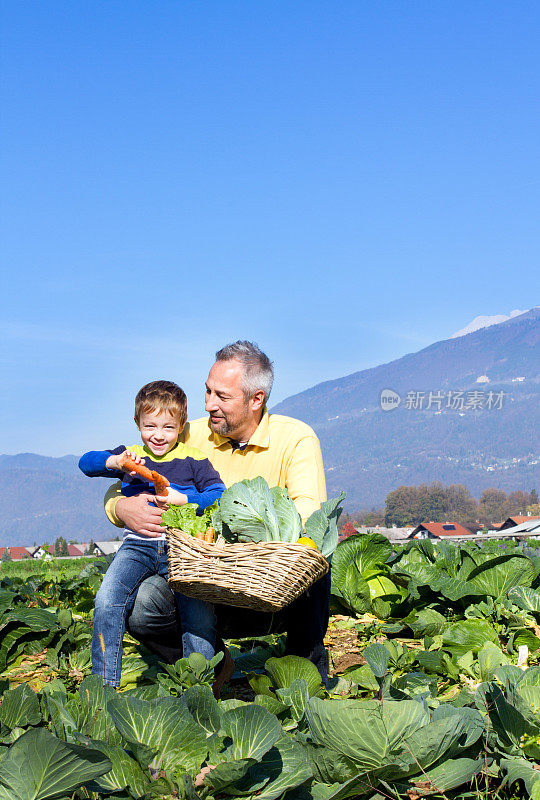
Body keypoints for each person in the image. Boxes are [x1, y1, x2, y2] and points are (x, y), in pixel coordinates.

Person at [104, 342, 330, 683]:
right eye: (207, 391)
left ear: (256, 399)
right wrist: (121, 507)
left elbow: (308, 513)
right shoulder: (187, 433)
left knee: (316, 554)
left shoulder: (295, 438)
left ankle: (306, 669)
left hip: (269, 585)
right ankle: (213, 666)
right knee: (143, 606)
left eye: (221, 396)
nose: (208, 404)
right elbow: (125, 474)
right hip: (200, 582)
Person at [79, 380, 225, 687]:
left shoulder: (193, 458)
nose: (159, 435)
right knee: (107, 599)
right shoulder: (131, 456)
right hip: (138, 546)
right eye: (150, 426)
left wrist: (183, 499)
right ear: (137, 424)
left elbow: (218, 493)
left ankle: (200, 689)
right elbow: (86, 463)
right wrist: (115, 461)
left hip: (181, 548)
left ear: (181, 426)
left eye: (168, 427)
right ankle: (104, 688)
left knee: (196, 614)